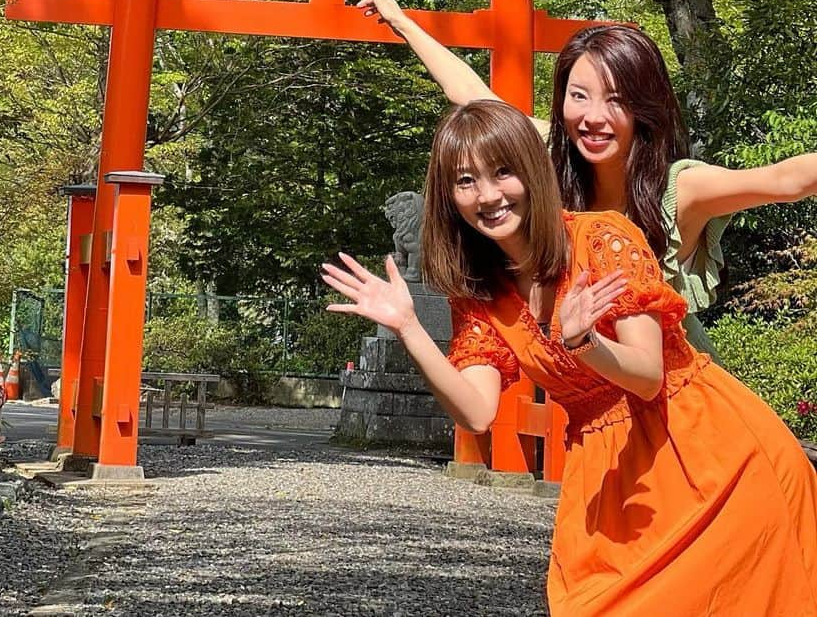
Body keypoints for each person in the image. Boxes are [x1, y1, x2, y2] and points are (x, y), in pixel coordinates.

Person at [322, 100, 817, 616]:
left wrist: (587, 344)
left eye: (503, 172)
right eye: (466, 181)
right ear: (448, 197)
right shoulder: (480, 291)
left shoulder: (603, 238)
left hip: (707, 449)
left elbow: (648, 378)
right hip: (607, 476)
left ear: (532, 172)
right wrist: (408, 326)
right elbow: (477, 412)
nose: (487, 196)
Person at [357, 0, 817, 352]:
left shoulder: (681, 188)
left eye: (616, 99)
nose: (593, 117)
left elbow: (786, 180)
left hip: (678, 388)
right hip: (594, 379)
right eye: (579, 96)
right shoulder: (550, 155)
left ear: (644, 107)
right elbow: (473, 97)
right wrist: (402, 22)